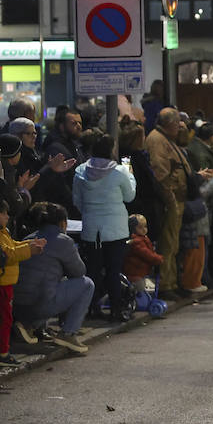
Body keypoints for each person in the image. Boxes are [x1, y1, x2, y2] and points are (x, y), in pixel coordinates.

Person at [12, 202, 93, 354]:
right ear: (63, 223)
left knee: (46, 282)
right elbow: (79, 271)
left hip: (18, 304)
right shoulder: (63, 240)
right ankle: (68, 333)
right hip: (40, 302)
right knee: (87, 284)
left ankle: (26, 325)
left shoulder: (28, 238)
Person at [72, 134, 136, 320]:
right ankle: (116, 308)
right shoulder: (120, 172)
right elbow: (129, 196)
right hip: (116, 229)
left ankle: (92, 307)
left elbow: (77, 200)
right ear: (111, 151)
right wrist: (130, 175)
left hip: (92, 229)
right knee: (113, 270)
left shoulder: (80, 171)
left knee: (93, 269)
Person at [0, 199, 45, 365]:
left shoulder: (2, 232)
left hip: (3, 281)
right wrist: (29, 250)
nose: (6, 216)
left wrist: (30, 243)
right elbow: (8, 253)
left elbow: (13, 245)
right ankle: (3, 352)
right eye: (3, 213)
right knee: (4, 318)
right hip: (1, 281)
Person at [146, 108, 192, 293]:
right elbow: (160, 172)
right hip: (170, 199)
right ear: (171, 124)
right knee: (168, 244)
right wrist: (171, 198)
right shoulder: (157, 140)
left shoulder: (167, 139)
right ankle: (166, 284)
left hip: (177, 198)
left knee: (174, 244)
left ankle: (172, 282)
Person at [123, 214, 164, 286]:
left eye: (145, 226)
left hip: (140, 271)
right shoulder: (136, 242)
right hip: (134, 272)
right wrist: (159, 258)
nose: (144, 229)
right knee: (140, 286)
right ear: (132, 229)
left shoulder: (143, 238)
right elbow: (147, 254)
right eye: (140, 227)